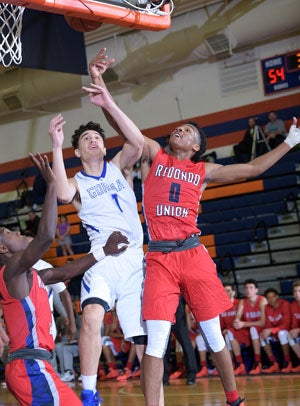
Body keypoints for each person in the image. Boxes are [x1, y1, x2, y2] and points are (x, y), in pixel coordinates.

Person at [137, 117, 300, 406]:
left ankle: (234, 399)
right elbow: (128, 130)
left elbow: (252, 169)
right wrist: (104, 95)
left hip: (191, 253)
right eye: (179, 127)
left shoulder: (203, 170)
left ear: (196, 145)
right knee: (157, 340)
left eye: (187, 131)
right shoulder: (156, 158)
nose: (180, 129)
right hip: (160, 254)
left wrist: (290, 142)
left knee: (213, 335)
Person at [48, 49, 147, 406]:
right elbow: (61, 194)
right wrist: (57, 146)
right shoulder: (77, 181)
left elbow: (137, 142)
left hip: (135, 260)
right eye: (86, 139)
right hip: (102, 260)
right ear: (78, 151)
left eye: (98, 137)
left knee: (142, 339)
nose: (94, 140)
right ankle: (89, 393)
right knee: (91, 316)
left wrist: (107, 97)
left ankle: (154, 394)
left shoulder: (120, 165)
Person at [0, 153, 129, 406]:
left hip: (31, 366)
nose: (15, 232)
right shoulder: (12, 269)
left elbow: (67, 271)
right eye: (8, 233)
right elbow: (47, 236)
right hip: (30, 366)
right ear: (3, 250)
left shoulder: (32, 274)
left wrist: (105, 250)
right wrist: (51, 186)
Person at [232, 279, 267, 376]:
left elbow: (263, 323)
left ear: (256, 290)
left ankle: (258, 363)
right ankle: (239, 364)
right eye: (246, 288)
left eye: (251, 288)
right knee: (230, 333)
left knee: (253, 329)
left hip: (262, 329)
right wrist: (237, 322)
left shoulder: (262, 300)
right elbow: (237, 319)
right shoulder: (243, 302)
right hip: (249, 330)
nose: (248, 290)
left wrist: (243, 324)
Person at [163, 296, 197, 385]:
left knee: (185, 343)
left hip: (172, 305)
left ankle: (191, 375)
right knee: (165, 345)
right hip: (167, 306)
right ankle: (164, 377)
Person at [260, 287, 291, 373]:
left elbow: (286, 324)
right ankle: (274, 363)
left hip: (286, 331)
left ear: (277, 296)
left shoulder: (285, 304)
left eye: (273, 296)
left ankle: (288, 362)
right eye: (268, 297)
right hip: (275, 332)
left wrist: (272, 330)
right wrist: (268, 330)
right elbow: (268, 324)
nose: (271, 299)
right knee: (262, 336)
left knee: (281, 334)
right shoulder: (266, 308)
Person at [222, 283, 250, 376]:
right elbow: (221, 325)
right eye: (224, 291)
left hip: (243, 331)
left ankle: (239, 364)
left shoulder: (239, 303)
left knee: (229, 334)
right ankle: (232, 365)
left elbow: (244, 320)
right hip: (229, 332)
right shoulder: (221, 306)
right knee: (226, 335)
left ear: (233, 292)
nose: (226, 293)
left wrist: (229, 329)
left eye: (228, 290)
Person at [287, 279, 300, 372]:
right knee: (289, 335)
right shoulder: (293, 305)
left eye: (299, 291)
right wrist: (294, 330)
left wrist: (298, 330)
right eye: (295, 291)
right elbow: (294, 322)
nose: (297, 294)